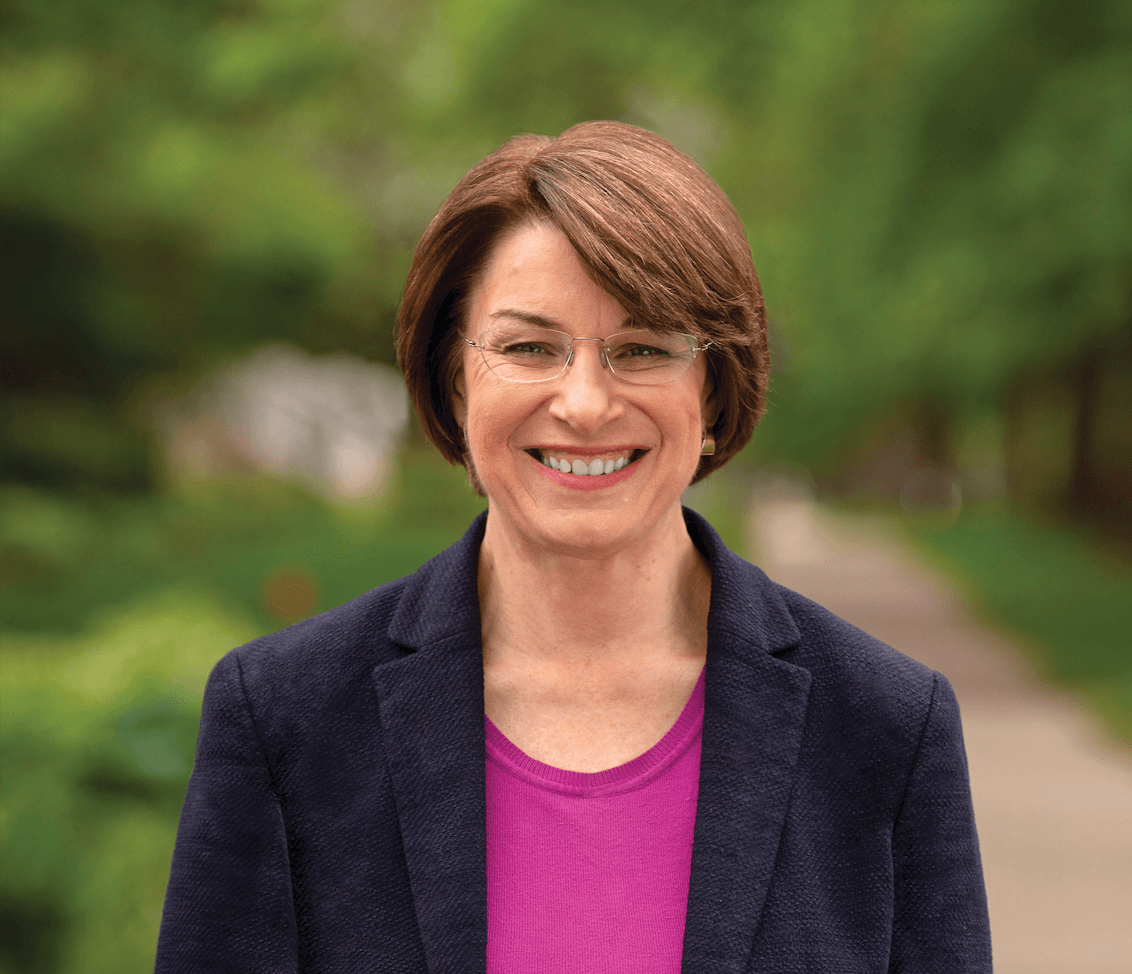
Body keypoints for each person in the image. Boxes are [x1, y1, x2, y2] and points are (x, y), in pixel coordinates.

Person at [155, 121, 992, 972]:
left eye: (641, 349)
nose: (585, 403)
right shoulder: (284, 721)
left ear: (712, 389)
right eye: (528, 347)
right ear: (455, 379)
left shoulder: (887, 731)